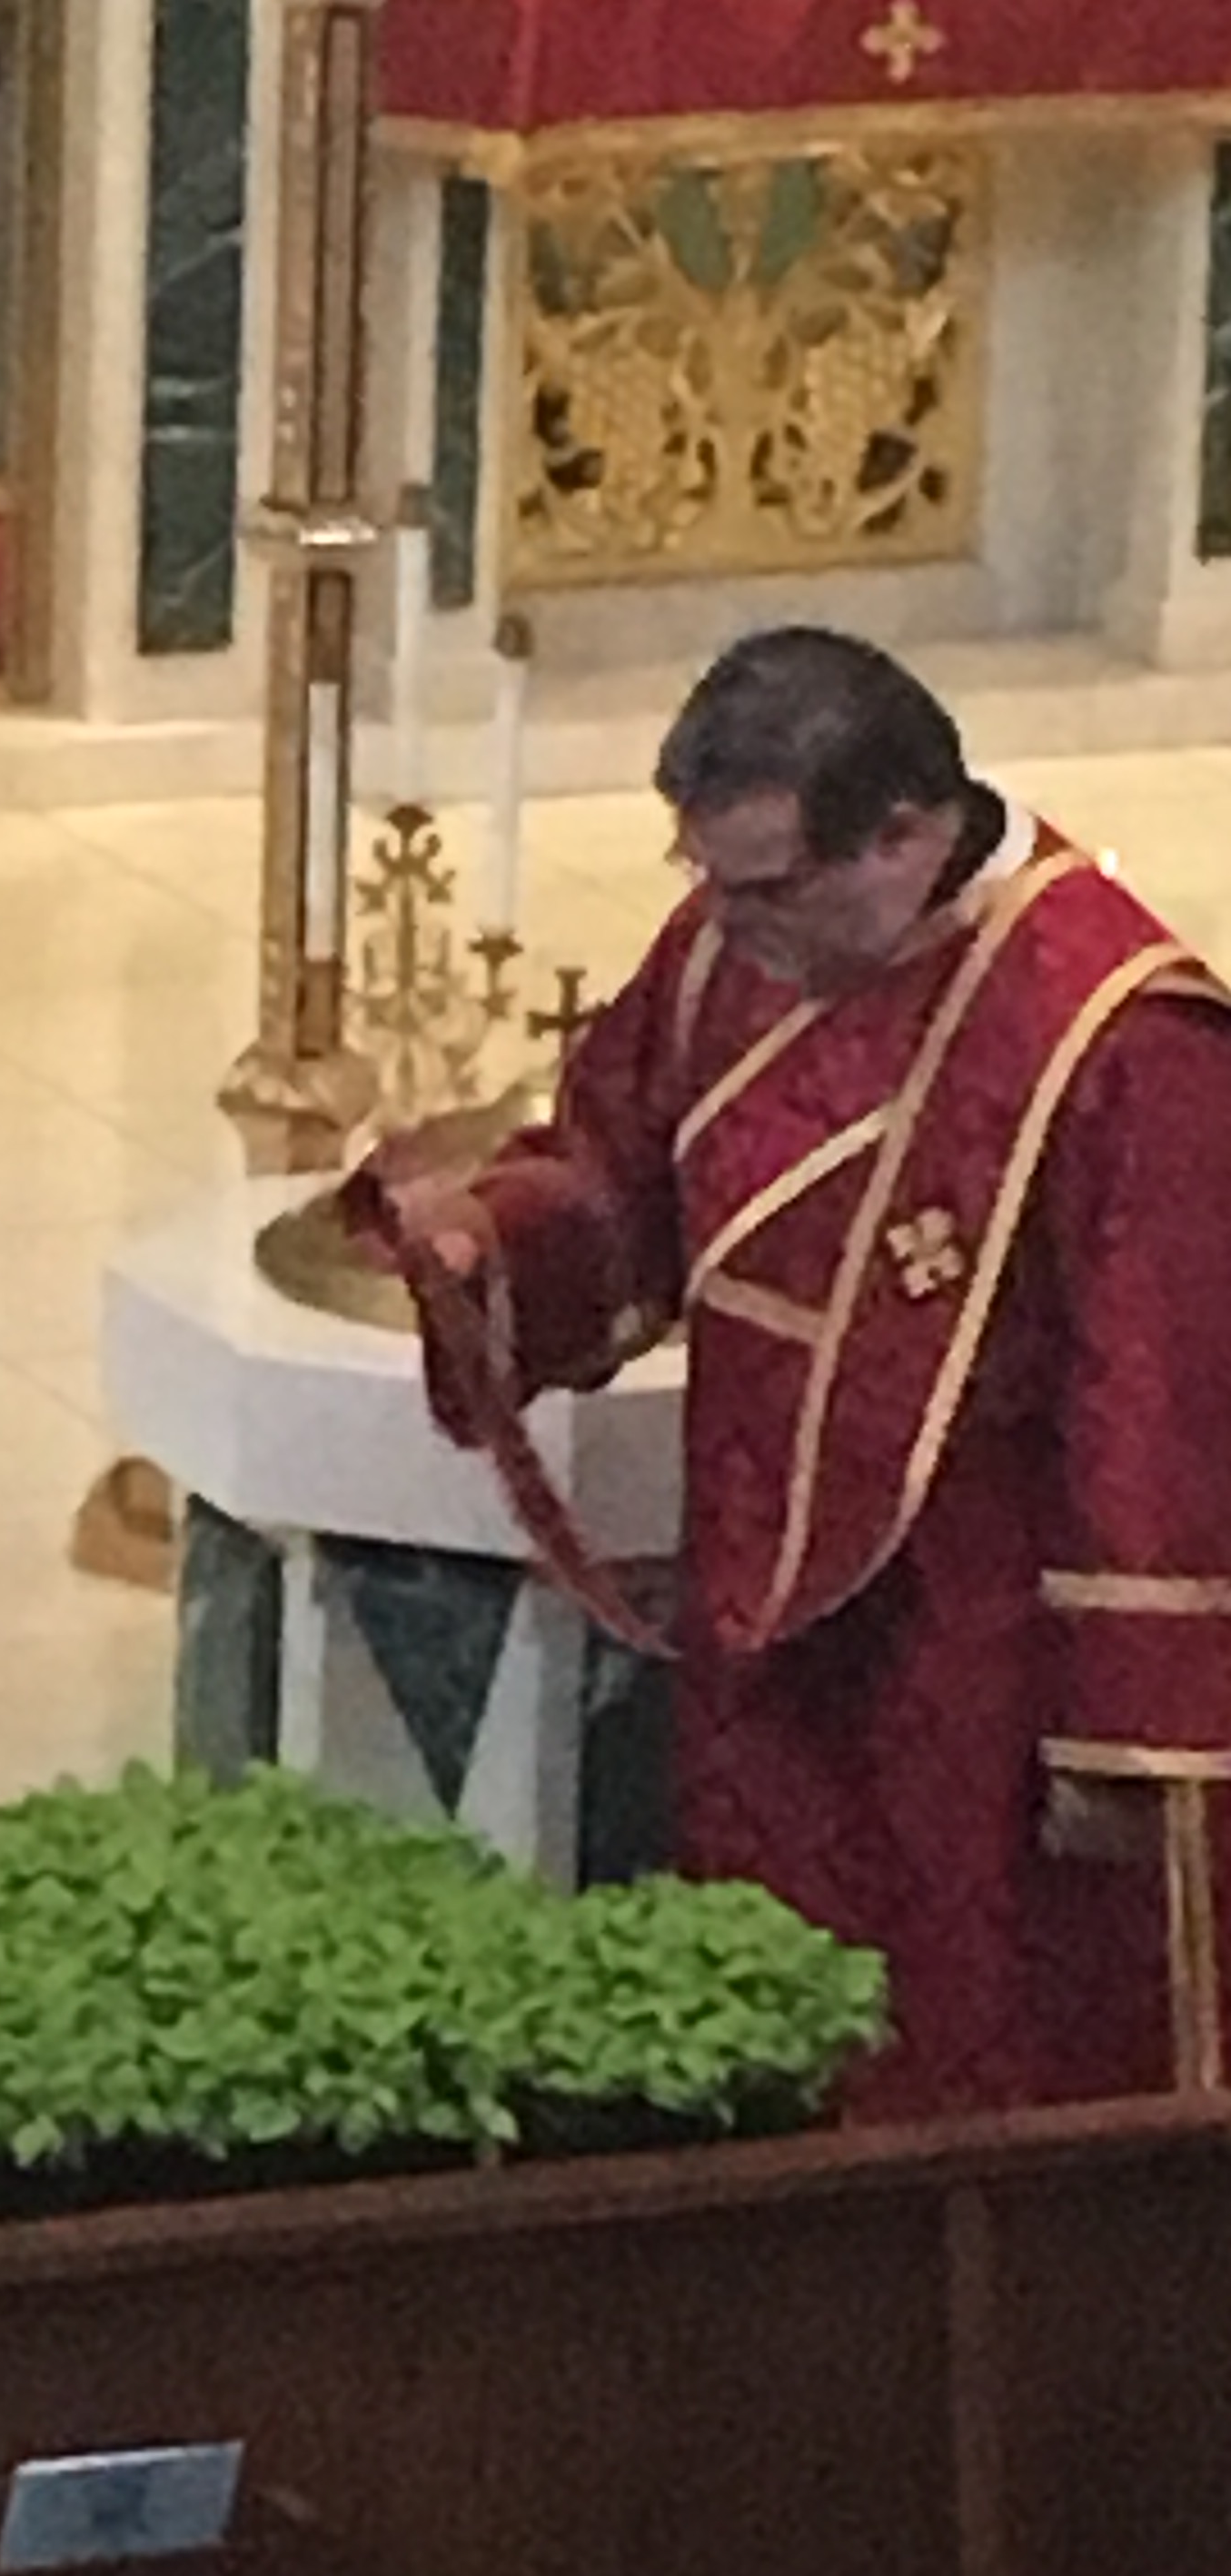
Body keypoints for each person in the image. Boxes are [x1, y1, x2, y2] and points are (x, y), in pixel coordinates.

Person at [367, 626, 1231, 2120]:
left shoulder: (1121, 1034)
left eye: (764, 884)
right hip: (762, 1626)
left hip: (987, 1668)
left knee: (977, 2051)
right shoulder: (735, 946)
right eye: (702, 876)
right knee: (767, 2013)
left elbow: (1157, 1410)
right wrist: (487, 1254)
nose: (720, 920)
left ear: (903, 834)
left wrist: (1133, 1729)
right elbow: (614, 1170)